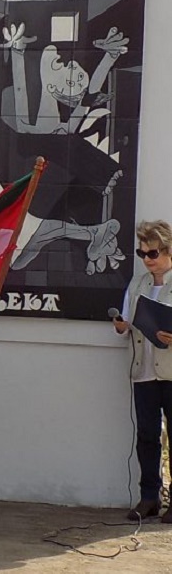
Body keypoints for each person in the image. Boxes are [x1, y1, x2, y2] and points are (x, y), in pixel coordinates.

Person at [112, 220, 172, 523]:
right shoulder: (137, 283)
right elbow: (126, 324)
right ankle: (149, 498)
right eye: (142, 253)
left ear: (169, 251)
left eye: (154, 253)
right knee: (147, 436)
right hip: (144, 372)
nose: (148, 259)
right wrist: (121, 326)